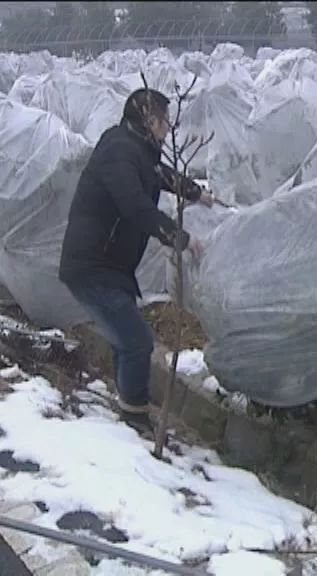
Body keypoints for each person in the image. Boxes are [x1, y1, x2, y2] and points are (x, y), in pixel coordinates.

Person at [59, 88, 213, 434]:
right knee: (138, 341)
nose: (168, 127)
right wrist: (180, 238)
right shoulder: (120, 153)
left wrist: (196, 193)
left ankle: (129, 411)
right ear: (148, 120)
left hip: (108, 265)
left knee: (125, 340)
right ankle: (134, 417)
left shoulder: (134, 148)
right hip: (93, 267)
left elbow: (159, 174)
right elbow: (134, 204)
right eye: (163, 120)